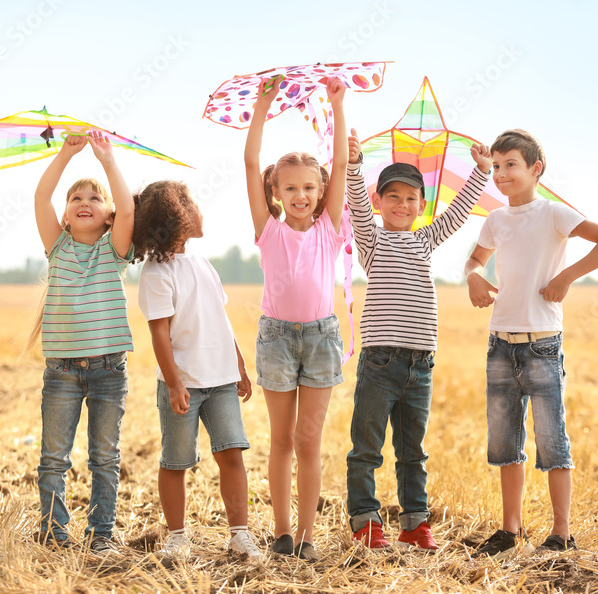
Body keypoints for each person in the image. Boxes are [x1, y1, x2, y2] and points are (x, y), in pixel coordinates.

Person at [464, 129, 598, 558]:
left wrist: (566, 277)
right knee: (505, 444)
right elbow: (475, 259)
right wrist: (473, 277)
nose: (501, 174)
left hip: (541, 346)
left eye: (511, 165)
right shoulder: (495, 220)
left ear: (536, 169)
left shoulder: (553, 213)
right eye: (496, 166)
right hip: (500, 344)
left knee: (552, 442)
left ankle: (561, 531)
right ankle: (510, 529)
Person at [345, 127, 493, 551]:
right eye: (392, 196)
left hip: (421, 363)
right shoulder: (372, 241)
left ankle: (414, 524)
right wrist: (354, 166)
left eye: (410, 198)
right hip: (380, 361)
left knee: (414, 451)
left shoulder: (425, 239)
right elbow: (355, 203)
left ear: (421, 206)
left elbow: (459, 212)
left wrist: (481, 172)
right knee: (367, 447)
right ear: (380, 202)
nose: (401, 204)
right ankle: (366, 521)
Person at [243, 76, 349, 561]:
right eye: (291, 188)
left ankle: (307, 536)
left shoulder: (329, 229)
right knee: (281, 439)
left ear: (322, 190)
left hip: (322, 338)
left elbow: (343, 161)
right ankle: (282, 532)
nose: (301, 195)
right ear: (276, 191)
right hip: (277, 340)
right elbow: (249, 161)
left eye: (309, 187)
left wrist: (337, 103)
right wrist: (263, 106)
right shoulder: (268, 230)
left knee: (310, 441)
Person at [134, 180, 263, 562]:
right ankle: (177, 537)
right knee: (176, 462)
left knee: (232, 455)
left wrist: (238, 362)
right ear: (178, 214)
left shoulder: (203, 264)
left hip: (221, 381)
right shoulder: (157, 273)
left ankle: (239, 534)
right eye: (194, 204)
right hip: (183, 385)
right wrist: (174, 384)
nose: (200, 211)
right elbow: (159, 334)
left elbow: (219, 318)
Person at [31, 130, 135, 557]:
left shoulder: (115, 250)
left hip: (109, 370)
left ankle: (101, 536)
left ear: (109, 215)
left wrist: (107, 158)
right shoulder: (57, 247)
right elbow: (40, 197)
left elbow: (129, 206)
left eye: (95, 197)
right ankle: (53, 535)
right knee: (54, 459)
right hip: (62, 371)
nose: (85, 202)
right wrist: (66, 154)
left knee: (104, 458)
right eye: (76, 199)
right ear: (67, 216)